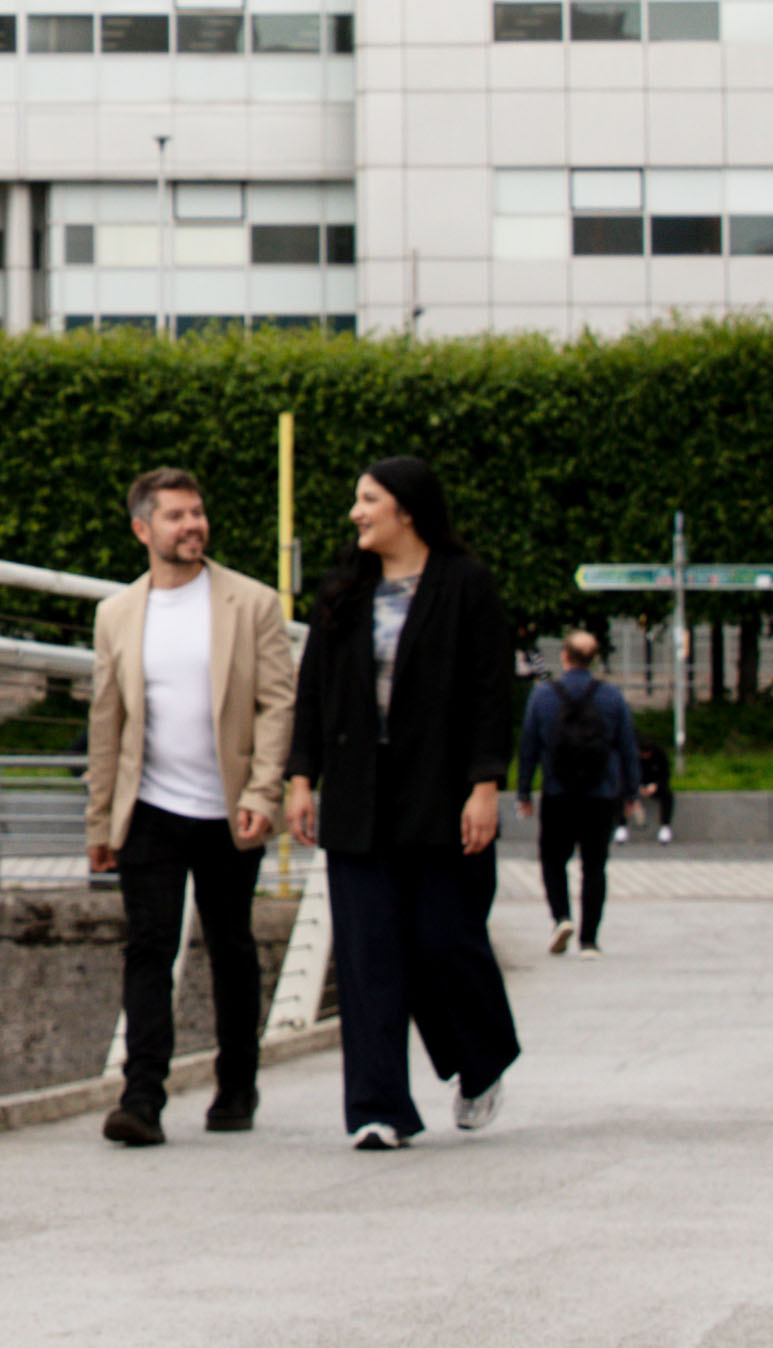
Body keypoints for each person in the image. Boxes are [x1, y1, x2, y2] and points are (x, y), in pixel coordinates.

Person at [285, 459, 522, 1150]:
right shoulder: (344, 588)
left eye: (368, 499)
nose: (356, 512)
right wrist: (302, 778)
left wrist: (485, 784)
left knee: (443, 941)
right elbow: (314, 691)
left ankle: (480, 1063)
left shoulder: (465, 585)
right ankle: (376, 1107)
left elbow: (488, 692)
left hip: (441, 793)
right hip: (358, 794)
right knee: (367, 953)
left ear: (407, 509)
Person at [83, 467, 294, 1145]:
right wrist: (99, 820)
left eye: (196, 512)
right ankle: (141, 1096)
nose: (192, 525)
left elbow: (275, 704)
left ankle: (237, 1084)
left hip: (230, 808)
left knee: (231, 946)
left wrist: (264, 791)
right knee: (149, 947)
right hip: (149, 807)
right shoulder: (116, 613)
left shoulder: (251, 603)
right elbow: (105, 721)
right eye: (175, 516)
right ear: (143, 529)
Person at [513, 631, 641, 958]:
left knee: (553, 860)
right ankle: (589, 941)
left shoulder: (542, 695)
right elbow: (627, 748)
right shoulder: (612, 697)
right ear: (594, 659)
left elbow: (528, 747)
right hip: (600, 795)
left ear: (565, 657)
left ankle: (561, 917)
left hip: (557, 793)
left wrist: (524, 790)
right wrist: (631, 793)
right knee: (594, 866)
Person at [633, 738, 675, 845]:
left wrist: (656, 785)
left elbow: (665, 775)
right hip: (637, 785)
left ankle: (665, 827)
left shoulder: (660, 755)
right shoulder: (633, 756)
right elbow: (628, 773)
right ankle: (621, 826)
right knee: (622, 793)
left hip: (655, 784)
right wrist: (638, 785)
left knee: (667, 795)